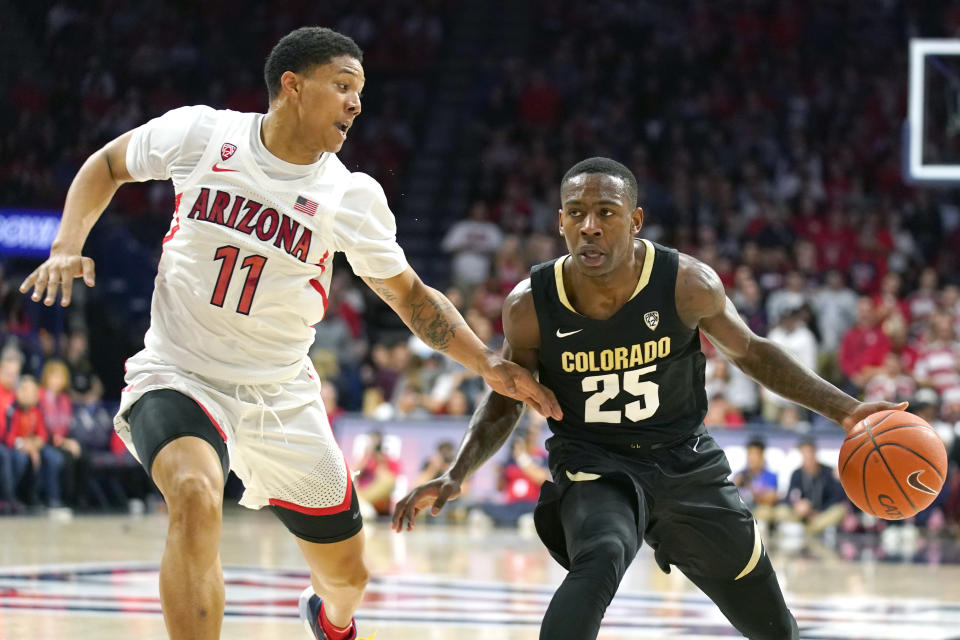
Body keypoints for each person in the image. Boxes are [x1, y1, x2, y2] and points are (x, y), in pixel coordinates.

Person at [19, 26, 560, 640]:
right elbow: (107, 164)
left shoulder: (349, 195)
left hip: (281, 397)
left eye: (360, 92)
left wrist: (487, 362)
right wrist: (66, 246)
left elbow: (408, 295)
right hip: (179, 372)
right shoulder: (203, 133)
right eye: (344, 87)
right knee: (196, 497)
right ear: (292, 86)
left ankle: (328, 620)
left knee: (348, 579)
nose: (357, 104)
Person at [393, 157, 904, 640]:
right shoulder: (530, 305)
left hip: (686, 460)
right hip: (594, 462)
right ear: (561, 223)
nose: (589, 225)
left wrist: (848, 409)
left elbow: (751, 352)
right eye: (576, 213)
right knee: (602, 552)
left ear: (635, 220)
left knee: (774, 626)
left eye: (605, 213)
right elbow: (505, 398)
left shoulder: (686, 283)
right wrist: (457, 473)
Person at [774, 437, 847, 535]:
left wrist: (819, 512)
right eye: (804, 453)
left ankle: (807, 531)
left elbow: (836, 498)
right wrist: (797, 505)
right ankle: (809, 530)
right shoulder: (797, 473)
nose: (807, 456)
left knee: (839, 511)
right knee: (780, 510)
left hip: (821, 515)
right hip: (801, 517)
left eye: (809, 452)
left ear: (815, 452)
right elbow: (790, 497)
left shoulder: (828, 472)